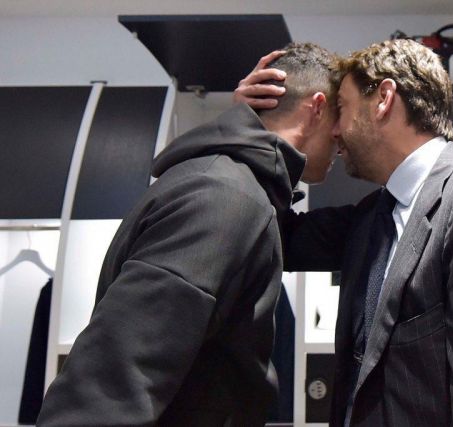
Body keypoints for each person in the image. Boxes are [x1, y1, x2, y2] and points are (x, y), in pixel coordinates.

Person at [236, 39, 453, 426]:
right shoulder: (375, 215)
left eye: (341, 108)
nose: (334, 132)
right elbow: (275, 234)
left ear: (383, 98)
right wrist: (252, 130)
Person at [37, 42, 339, 427]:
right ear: (316, 107)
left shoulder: (236, 190)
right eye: (340, 115)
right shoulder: (223, 196)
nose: (343, 137)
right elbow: (115, 379)